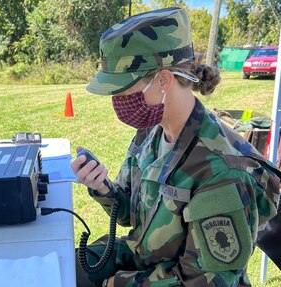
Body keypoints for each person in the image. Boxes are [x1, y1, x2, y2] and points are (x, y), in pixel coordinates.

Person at [71, 7, 281, 287]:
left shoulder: (221, 171)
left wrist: (116, 284)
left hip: (168, 279)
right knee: (61, 267)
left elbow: (201, 283)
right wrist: (102, 187)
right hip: (141, 260)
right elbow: (129, 214)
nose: (117, 100)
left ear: (163, 80)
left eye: (123, 90)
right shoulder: (151, 132)